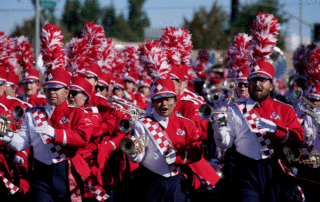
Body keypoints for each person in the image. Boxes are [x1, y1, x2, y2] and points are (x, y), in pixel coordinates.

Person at [212, 60, 305, 201]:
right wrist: (219, 128)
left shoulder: (285, 110)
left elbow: (298, 140)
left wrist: (277, 130)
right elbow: (225, 144)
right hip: (246, 170)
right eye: (253, 80)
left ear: (271, 85)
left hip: (275, 171)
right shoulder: (235, 108)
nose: (257, 84)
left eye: (262, 80)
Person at [126, 77, 203, 202]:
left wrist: (178, 156)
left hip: (177, 181)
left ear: (175, 100)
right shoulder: (142, 123)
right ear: (153, 102)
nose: (164, 104)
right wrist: (134, 152)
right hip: (150, 181)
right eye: (159, 100)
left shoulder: (187, 124)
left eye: (168, 99)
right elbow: (137, 158)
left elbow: (197, 153)